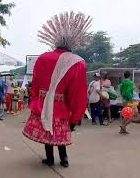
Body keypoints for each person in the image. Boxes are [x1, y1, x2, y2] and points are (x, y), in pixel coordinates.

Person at [23, 11, 90, 167]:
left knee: (48, 133)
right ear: (73, 43)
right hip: (61, 108)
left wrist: (35, 103)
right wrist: (75, 116)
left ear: (55, 40)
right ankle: (64, 159)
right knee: (59, 134)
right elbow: (78, 94)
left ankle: (50, 159)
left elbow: (36, 85)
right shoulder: (78, 63)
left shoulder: (43, 58)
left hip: (43, 105)